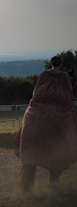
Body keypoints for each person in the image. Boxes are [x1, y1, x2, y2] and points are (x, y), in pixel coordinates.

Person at [19, 56, 77, 190]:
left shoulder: (44, 74)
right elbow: (69, 95)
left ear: (51, 63)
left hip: (39, 110)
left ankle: (20, 142)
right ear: (61, 64)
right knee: (72, 120)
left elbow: (36, 92)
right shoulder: (65, 76)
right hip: (59, 113)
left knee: (29, 115)